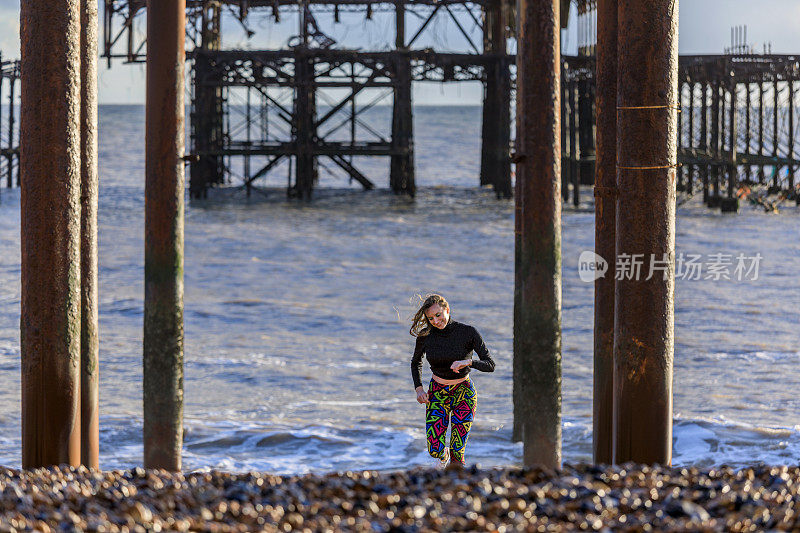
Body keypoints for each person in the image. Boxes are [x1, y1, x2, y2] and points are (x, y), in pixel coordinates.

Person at [410, 294, 495, 469]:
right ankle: (443, 456)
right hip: (437, 393)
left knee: (458, 451)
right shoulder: (425, 336)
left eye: (438, 315)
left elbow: (490, 364)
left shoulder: (468, 332)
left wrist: (469, 362)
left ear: (447, 310)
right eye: (430, 318)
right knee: (434, 449)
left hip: (464, 394)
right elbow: (416, 362)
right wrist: (419, 389)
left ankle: (457, 488)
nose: (435, 321)